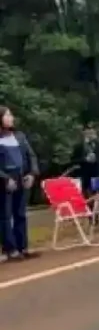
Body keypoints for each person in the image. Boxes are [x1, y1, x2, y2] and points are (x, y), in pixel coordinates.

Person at [0, 107, 39, 261]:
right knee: (5, 216)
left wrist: (32, 174)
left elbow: (31, 156)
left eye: (11, 115)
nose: (11, 117)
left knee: (20, 214)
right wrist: (5, 178)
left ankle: (23, 247)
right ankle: (10, 249)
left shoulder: (19, 136)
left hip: (21, 178)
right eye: (7, 115)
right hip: (4, 181)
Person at [70, 123, 99, 227]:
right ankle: (93, 220)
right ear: (83, 133)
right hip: (87, 176)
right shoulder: (79, 146)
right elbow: (73, 161)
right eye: (87, 131)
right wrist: (84, 160)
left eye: (92, 131)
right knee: (89, 198)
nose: (90, 133)